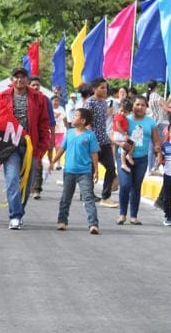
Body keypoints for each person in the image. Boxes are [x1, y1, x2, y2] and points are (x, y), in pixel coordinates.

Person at [0, 67, 51, 229]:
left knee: (27, 184)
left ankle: (19, 211)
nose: (19, 80)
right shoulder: (3, 96)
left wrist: (42, 148)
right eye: (16, 77)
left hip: (31, 147)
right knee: (12, 180)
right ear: (11, 80)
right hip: (10, 146)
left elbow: (44, 124)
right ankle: (15, 216)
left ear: (27, 80)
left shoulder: (38, 98)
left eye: (22, 77)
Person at [49, 107, 100, 234]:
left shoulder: (90, 135)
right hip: (69, 171)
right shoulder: (69, 133)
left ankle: (93, 224)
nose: (73, 117)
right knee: (66, 198)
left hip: (85, 172)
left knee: (88, 198)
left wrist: (96, 170)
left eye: (76, 115)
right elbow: (62, 149)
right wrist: (53, 162)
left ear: (83, 120)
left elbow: (94, 153)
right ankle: (62, 221)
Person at [115, 95, 160, 225]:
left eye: (143, 105)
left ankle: (133, 216)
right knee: (125, 185)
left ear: (146, 107)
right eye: (137, 104)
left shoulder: (150, 122)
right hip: (124, 158)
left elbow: (156, 140)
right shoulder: (125, 118)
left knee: (136, 186)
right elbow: (113, 135)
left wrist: (158, 152)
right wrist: (120, 144)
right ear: (132, 106)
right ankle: (122, 214)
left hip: (142, 160)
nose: (140, 107)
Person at [83, 78, 118, 208]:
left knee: (111, 168)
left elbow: (102, 120)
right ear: (94, 89)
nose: (104, 90)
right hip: (93, 142)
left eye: (105, 87)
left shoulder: (104, 103)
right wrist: (91, 141)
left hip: (104, 140)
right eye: (101, 87)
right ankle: (88, 195)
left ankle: (106, 196)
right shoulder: (89, 103)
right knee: (91, 169)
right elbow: (86, 123)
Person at [28, 76, 55, 199]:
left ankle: (36, 189)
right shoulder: (24, 98)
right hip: (25, 136)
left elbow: (51, 121)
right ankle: (24, 185)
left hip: (40, 136)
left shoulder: (45, 100)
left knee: (37, 160)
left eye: (37, 85)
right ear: (28, 86)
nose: (35, 87)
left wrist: (52, 138)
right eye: (33, 85)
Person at [146, 79, 171, 174]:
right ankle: (155, 167)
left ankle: (151, 168)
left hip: (151, 123)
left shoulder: (149, 97)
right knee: (160, 146)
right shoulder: (156, 96)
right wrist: (170, 97)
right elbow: (166, 106)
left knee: (151, 146)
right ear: (156, 87)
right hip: (158, 123)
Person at [112, 98, 135, 173]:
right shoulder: (118, 116)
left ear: (128, 112)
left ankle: (127, 157)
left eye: (125, 112)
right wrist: (124, 134)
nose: (122, 113)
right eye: (121, 111)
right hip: (119, 134)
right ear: (119, 108)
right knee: (128, 145)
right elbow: (118, 127)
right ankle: (125, 162)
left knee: (130, 144)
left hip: (120, 134)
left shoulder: (123, 117)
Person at [51, 95, 67, 170]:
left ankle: (58, 164)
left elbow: (65, 119)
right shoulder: (49, 109)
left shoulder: (61, 109)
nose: (57, 102)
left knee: (58, 148)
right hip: (50, 131)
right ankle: (51, 163)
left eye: (58, 101)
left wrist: (68, 128)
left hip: (59, 131)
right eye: (55, 100)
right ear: (51, 101)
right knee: (50, 148)